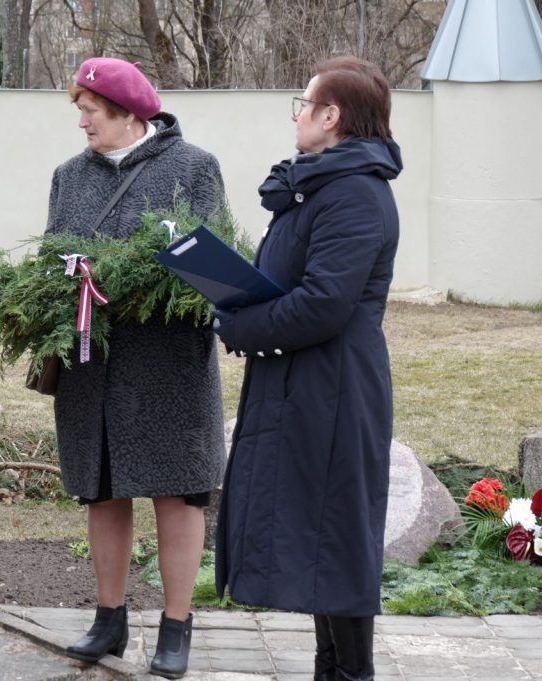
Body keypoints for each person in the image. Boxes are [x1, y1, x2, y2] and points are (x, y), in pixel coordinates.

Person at [212, 56, 402, 681]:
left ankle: (351, 674)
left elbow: (324, 302)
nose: (295, 112)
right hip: (299, 380)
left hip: (335, 387)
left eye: (303, 101)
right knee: (317, 534)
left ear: (331, 115)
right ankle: (331, 670)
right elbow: (290, 283)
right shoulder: (318, 185)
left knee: (338, 536)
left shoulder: (355, 194)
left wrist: (237, 325)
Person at [46, 57, 227, 680]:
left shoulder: (194, 167)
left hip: (169, 362)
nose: (82, 125)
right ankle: (110, 617)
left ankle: (177, 624)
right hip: (92, 362)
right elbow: (51, 259)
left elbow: (212, 261)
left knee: (177, 492)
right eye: (80, 113)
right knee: (101, 490)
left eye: (91, 114)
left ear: (128, 114)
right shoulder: (68, 176)